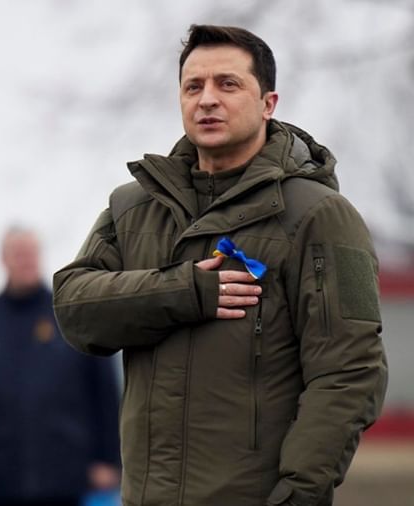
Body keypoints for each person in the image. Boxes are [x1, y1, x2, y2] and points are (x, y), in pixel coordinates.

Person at [53, 24, 388, 506]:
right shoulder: (133, 206)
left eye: (227, 84)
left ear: (269, 103)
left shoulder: (323, 216)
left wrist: (298, 493)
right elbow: (73, 306)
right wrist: (183, 291)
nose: (207, 99)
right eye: (194, 86)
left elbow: (351, 371)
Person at [0, 227, 121, 506]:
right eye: (18, 253)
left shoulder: (72, 315)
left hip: (67, 478)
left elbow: (104, 393)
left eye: (31, 253)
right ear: (3, 259)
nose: (26, 260)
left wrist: (108, 458)